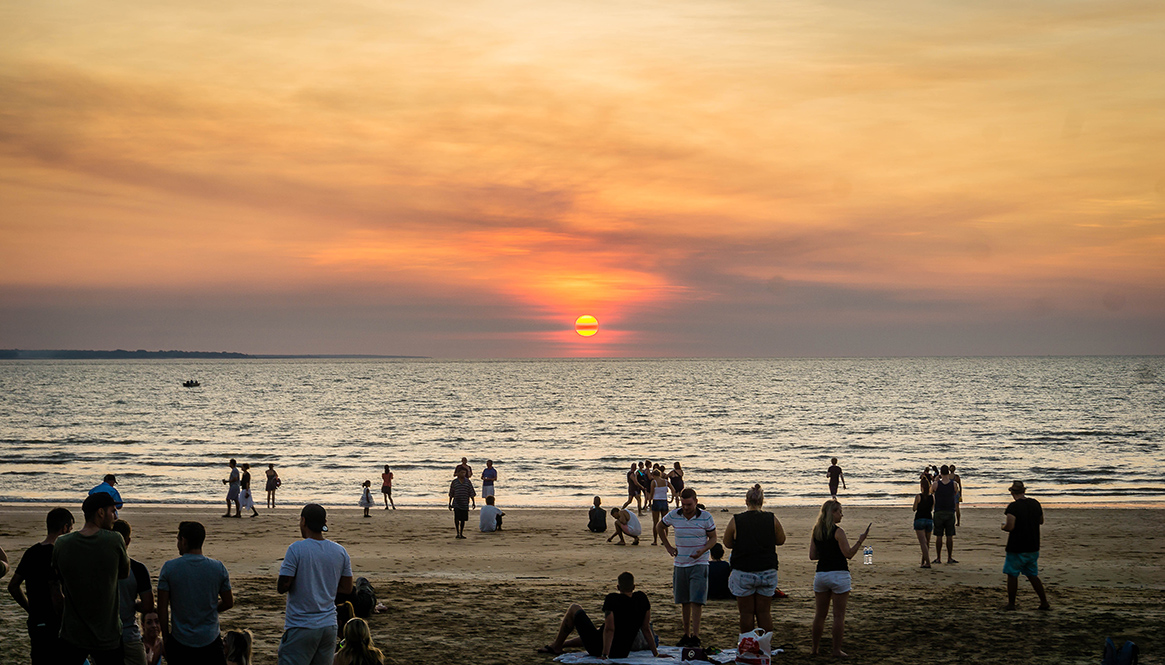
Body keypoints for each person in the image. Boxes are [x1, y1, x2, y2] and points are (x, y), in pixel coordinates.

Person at [52, 491, 130, 665]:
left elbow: (56, 582)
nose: (115, 517)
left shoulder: (62, 543)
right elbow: (124, 573)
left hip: (72, 633)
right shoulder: (114, 540)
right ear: (101, 512)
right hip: (106, 633)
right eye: (112, 511)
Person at [278, 503, 354, 665]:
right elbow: (347, 588)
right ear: (324, 523)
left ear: (303, 521)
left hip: (301, 625)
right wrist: (325, 586)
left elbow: (282, 586)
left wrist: (304, 582)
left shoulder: (296, 549)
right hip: (328, 625)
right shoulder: (340, 551)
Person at [157, 520, 233, 665]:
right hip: (210, 638)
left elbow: (162, 608)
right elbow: (229, 602)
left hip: (181, 639)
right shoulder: (218, 568)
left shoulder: (169, 568)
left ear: (183, 541)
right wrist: (209, 608)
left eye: (178, 540)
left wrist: (166, 636)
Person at [536, 572, 660, 659]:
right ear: (634, 587)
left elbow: (610, 629)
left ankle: (556, 646)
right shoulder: (642, 598)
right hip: (622, 652)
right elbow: (645, 628)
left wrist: (605, 654)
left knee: (574, 608)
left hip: (599, 648)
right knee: (596, 632)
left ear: (618, 587)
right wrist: (656, 653)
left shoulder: (612, 599)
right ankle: (561, 644)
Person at [8, 507, 74, 664]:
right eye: (70, 528)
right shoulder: (59, 554)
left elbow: (13, 586)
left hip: (36, 620)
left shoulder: (31, 552)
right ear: (64, 528)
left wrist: (29, 607)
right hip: (56, 623)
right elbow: (56, 593)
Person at [809, 499, 869, 658]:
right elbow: (848, 554)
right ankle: (836, 650)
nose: (841, 514)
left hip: (821, 574)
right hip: (839, 574)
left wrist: (826, 553)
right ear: (832, 513)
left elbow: (812, 556)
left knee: (820, 615)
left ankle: (815, 649)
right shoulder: (838, 532)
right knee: (838, 615)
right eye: (839, 511)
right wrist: (860, 541)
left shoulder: (816, 531)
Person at [657, 487, 717, 647]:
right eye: (683, 504)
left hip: (700, 563)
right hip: (680, 563)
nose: (685, 507)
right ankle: (686, 634)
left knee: (696, 600)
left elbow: (713, 539)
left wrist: (703, 550)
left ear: (696, 502)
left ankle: (695, 636)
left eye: (689, 504)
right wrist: (668, 547)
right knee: (684, 600)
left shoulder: (706, 517)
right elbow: (659, 527)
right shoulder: (674, 515)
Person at [722, 484, 786, 633]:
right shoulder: (771, 518)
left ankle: (747, 646)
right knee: (764, 613)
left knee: (746, 613)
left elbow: (727, 543)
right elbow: (781, 540)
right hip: (767, 569)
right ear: (762, 501)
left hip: (744, 570)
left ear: (746, 501)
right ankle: (765, 647)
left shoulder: (737, 520)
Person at [1001, 481, 1050, 611]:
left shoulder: (1013, 507)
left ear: (1012, 492)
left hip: (1017, 546)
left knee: (1012, 575)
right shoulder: (1035, 503)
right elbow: (1041, 521)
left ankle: (1011, 604)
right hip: (1033, 545)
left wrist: (1003, 527)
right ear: (1024, 491)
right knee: (1032, 574)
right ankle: (1044, 602)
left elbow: (1010, 526)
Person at [111, 519, 155, 665]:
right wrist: (133, 604)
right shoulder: (137, 569)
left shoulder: (95, 568)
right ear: (128, 541)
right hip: (128, 633)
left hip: (103, 634)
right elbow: (148, 605)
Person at [932, 465, 960, 564]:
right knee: (949, 536)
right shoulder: (954, 484)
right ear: (948, 472)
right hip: (950, 511)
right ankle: (949, 557)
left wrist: (935, 479)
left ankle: (938, 557)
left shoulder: (936, 484)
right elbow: (955, 493)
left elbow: (931, 492)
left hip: (939, 511)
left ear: (940, 473)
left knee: (939, 535)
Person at [912, 474, 937, 568]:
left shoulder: (918, 496)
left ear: (921, 487)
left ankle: (928, 562)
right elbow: (931, 509)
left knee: (922, 543)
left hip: (919, 519)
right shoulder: (932, 497)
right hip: (929, 519)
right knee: (927, 543)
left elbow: (914, 508)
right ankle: (923, 562)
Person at [448, 467, 476, 539]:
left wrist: (473, 502)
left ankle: (461, 533)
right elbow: (451, 493)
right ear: (458, 473)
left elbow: (471, 492)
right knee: (457, 518)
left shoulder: (468, 482)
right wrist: (449, 503)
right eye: (461, 473)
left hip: (465, 503)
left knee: (463, 519)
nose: (463, 474)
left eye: (464, 473)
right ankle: (457, 533)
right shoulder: (454, 482)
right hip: (456, 502)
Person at [648, 469, 674, 546]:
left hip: (656, 501)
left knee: (655, 522)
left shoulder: (654, 482)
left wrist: (649, 502)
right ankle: (664, 540)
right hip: (664, 501)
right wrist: (671, 498)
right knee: (665, 522)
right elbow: (673, 489)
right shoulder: (666, 481)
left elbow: (652, 493)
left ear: (653, 475)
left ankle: (655, 540)